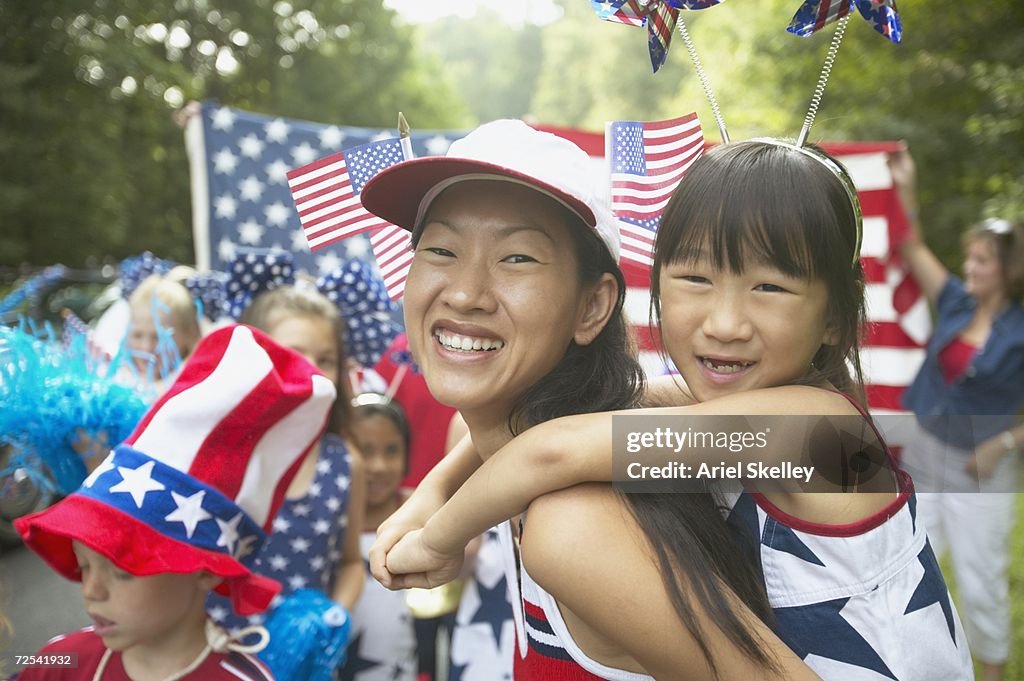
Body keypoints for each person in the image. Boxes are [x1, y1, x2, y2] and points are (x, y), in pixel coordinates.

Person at [371, 137, 976, 679]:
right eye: (695, 279)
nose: (725, 323)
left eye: (770, 286)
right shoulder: (728, 412)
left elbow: (551, 449)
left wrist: (438, 539)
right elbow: (534, 435)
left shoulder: (818, 434)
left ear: (838, 319)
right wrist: (430, 496)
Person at [13, 323, 338, 680]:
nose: (91, 591)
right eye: (84, 564)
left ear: (204, 571)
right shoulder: (58, 662)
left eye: (122, 571)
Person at [890, 150, 1024, 681]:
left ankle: (990, 671)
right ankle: (907, 663)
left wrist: (1005, 443)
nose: (968, 267)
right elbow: (911, 244)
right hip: (926, 452)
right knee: (908, 559)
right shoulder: (955, 303)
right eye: (969, 257)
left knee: (979, 577)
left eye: (982, 260)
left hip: (980, 468)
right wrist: (905, 189)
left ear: (1009, 270)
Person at [206, 285, 367, 644]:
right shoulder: (212, 450)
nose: (310, 370)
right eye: (294, 353)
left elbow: (351, 563)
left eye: (326, 359)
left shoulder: (345, 462)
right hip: (209, 656)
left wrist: (331, 620)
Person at [337, 393, 418, 681]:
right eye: (364, 450)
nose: (378, 466)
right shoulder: (329, 522)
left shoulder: (421, 515)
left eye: (392, 451)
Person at [123, 273, 201, 390]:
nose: (147, 348)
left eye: (159, 337)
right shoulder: (121, 379)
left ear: (188, 335)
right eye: (137, 335)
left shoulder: (195, 388)